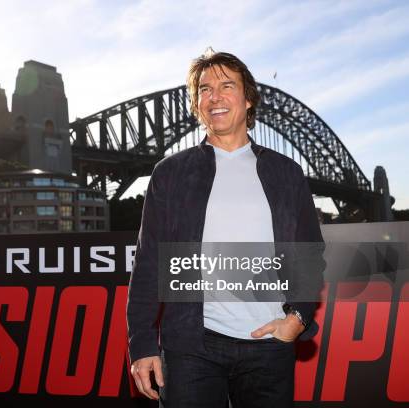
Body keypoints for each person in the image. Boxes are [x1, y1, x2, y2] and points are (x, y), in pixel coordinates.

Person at [126, 50, 325, 407]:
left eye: (226, 86)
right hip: (191, 347)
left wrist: (297, 317)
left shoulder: (286, 173)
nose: (214, 97)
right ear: (196, 104)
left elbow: (308, 254)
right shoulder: (170, 174)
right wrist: (141, 344)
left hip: (269, 344)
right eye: (204, 89)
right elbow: (148, 263)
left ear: (248, 99)